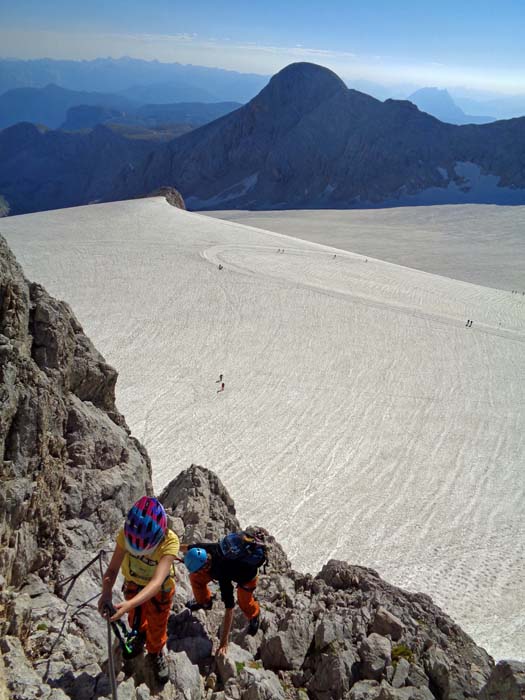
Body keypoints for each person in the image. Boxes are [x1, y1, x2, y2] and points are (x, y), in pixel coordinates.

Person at [98, 497, 179, 682]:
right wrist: (106, 592)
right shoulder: (126, 535)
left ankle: (155, 650)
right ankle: (140, 635)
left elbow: (157, 582)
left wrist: (129, 603)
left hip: (160, 590)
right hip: (134, 584)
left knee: (157, 624)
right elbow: (112, 569)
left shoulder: (170, 542)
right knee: (135, 617)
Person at [181, 531, 264, 656]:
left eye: (199, 570)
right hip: (231, 568)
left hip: (247, 577)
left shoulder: (222, 572)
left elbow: (229, 608)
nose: (197, 572)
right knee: (195, 578)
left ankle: (254, 614)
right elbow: (186, 548)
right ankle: (205, 601)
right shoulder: (205, 550)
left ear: (205, 567)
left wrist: (223, 643)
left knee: (244, 603)